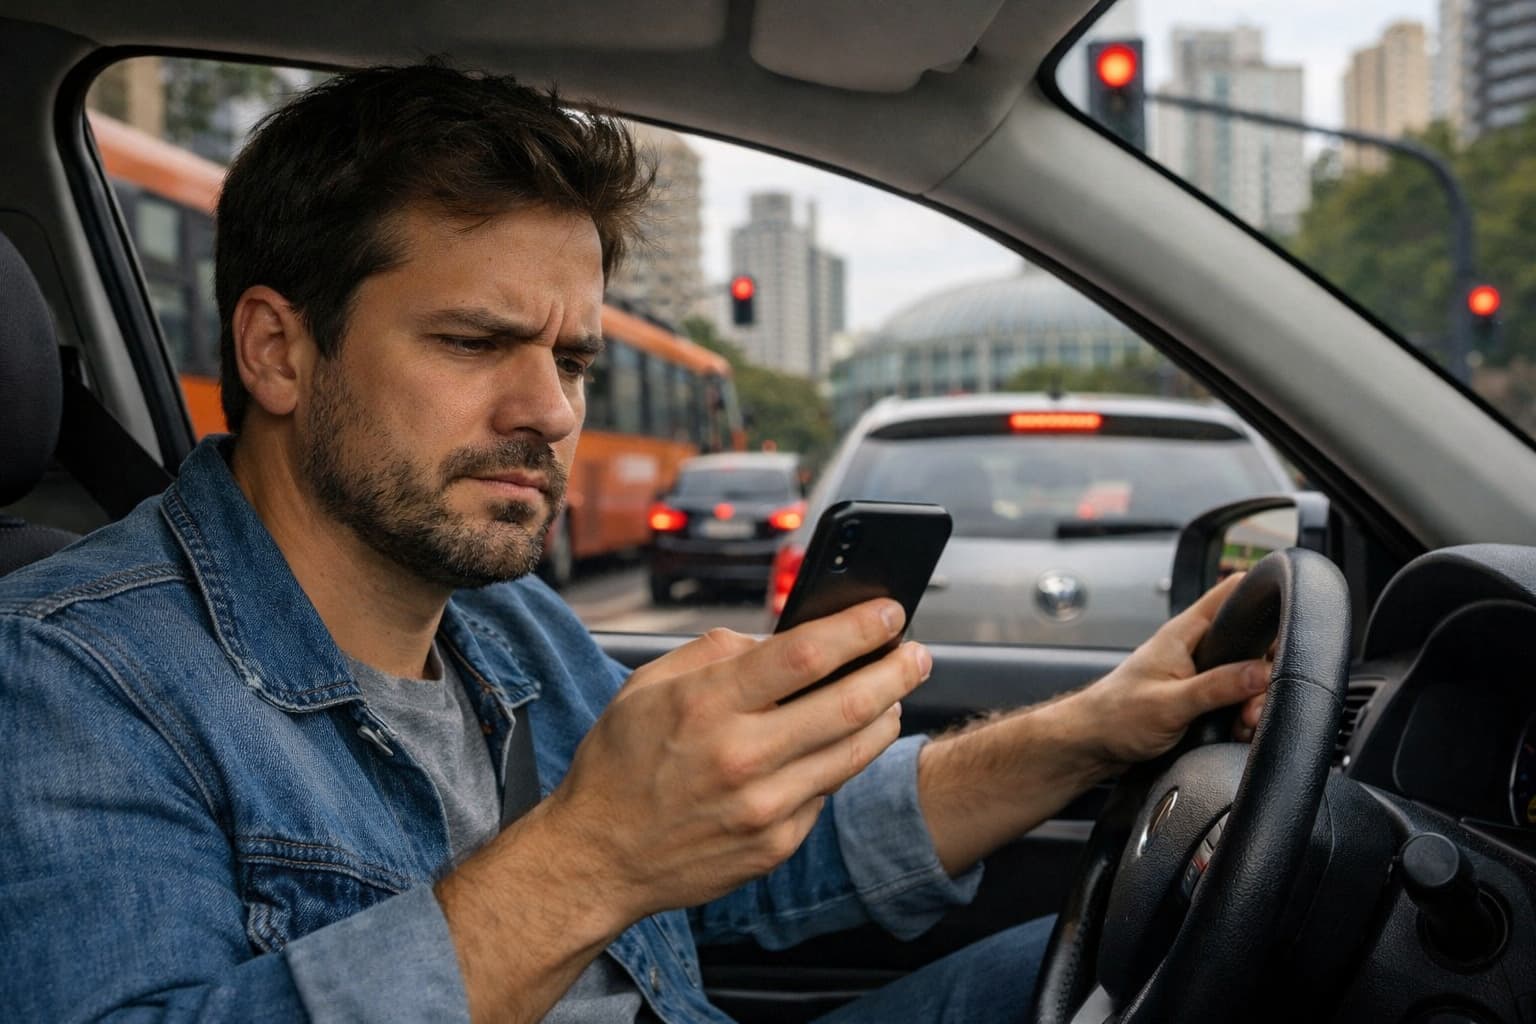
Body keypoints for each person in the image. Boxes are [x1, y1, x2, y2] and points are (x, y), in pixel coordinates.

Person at [0, 64, 1270, 1023]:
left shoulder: (508, 625)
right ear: (279, 350)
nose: (549, 411)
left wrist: (1098, 725)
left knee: (1152, 959)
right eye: (474, 341)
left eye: (571, 358)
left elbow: (771, 857)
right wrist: (593, 855)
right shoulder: (70, 678)